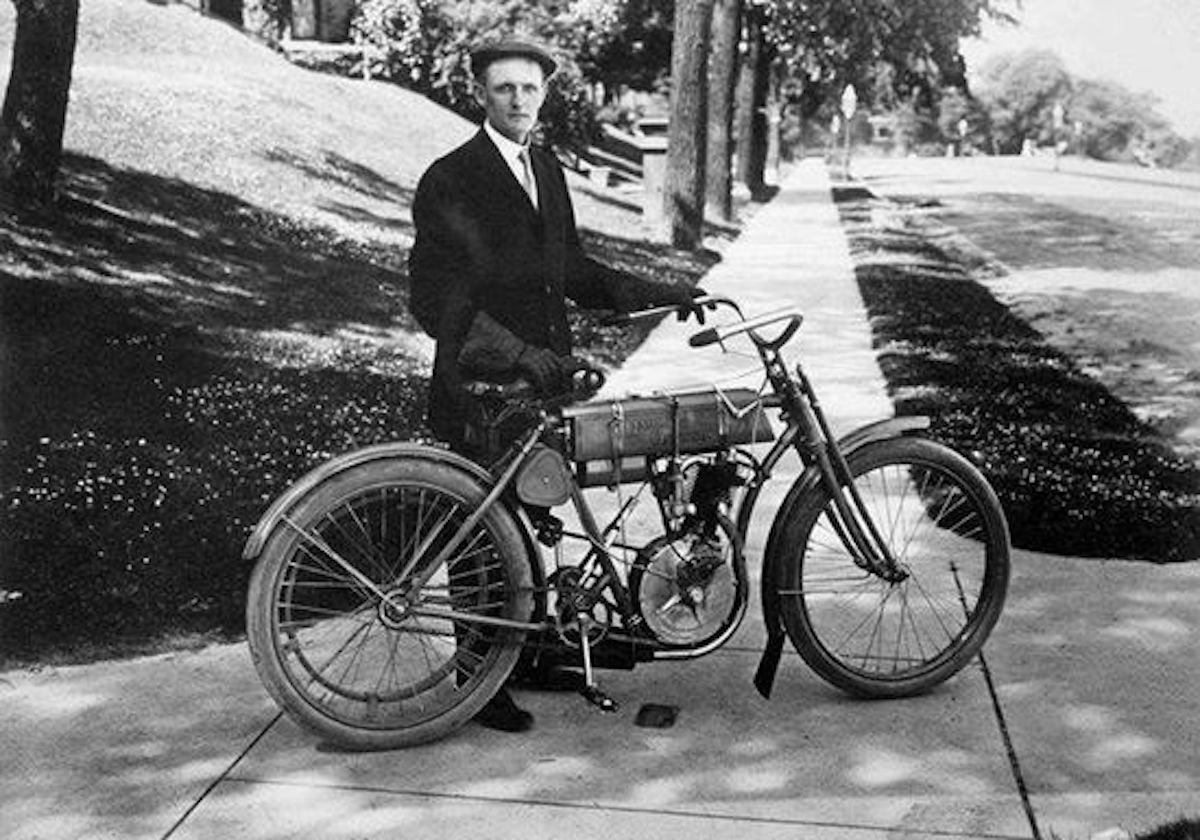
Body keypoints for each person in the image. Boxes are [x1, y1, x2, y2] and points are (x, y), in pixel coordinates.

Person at [408, 39, 705, 732]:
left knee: (534, 517)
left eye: (530, 89)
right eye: (504, 88)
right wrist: (514, 352)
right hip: (480, 385)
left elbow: (570, 268)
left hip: (541, 388)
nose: (518, 100)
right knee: (481, 527)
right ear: (479, 94)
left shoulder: (544, 167)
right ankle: (480, 680)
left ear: (544, 95)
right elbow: (432, 294)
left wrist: (657, 292)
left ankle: (533, 652)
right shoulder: (452, 178)